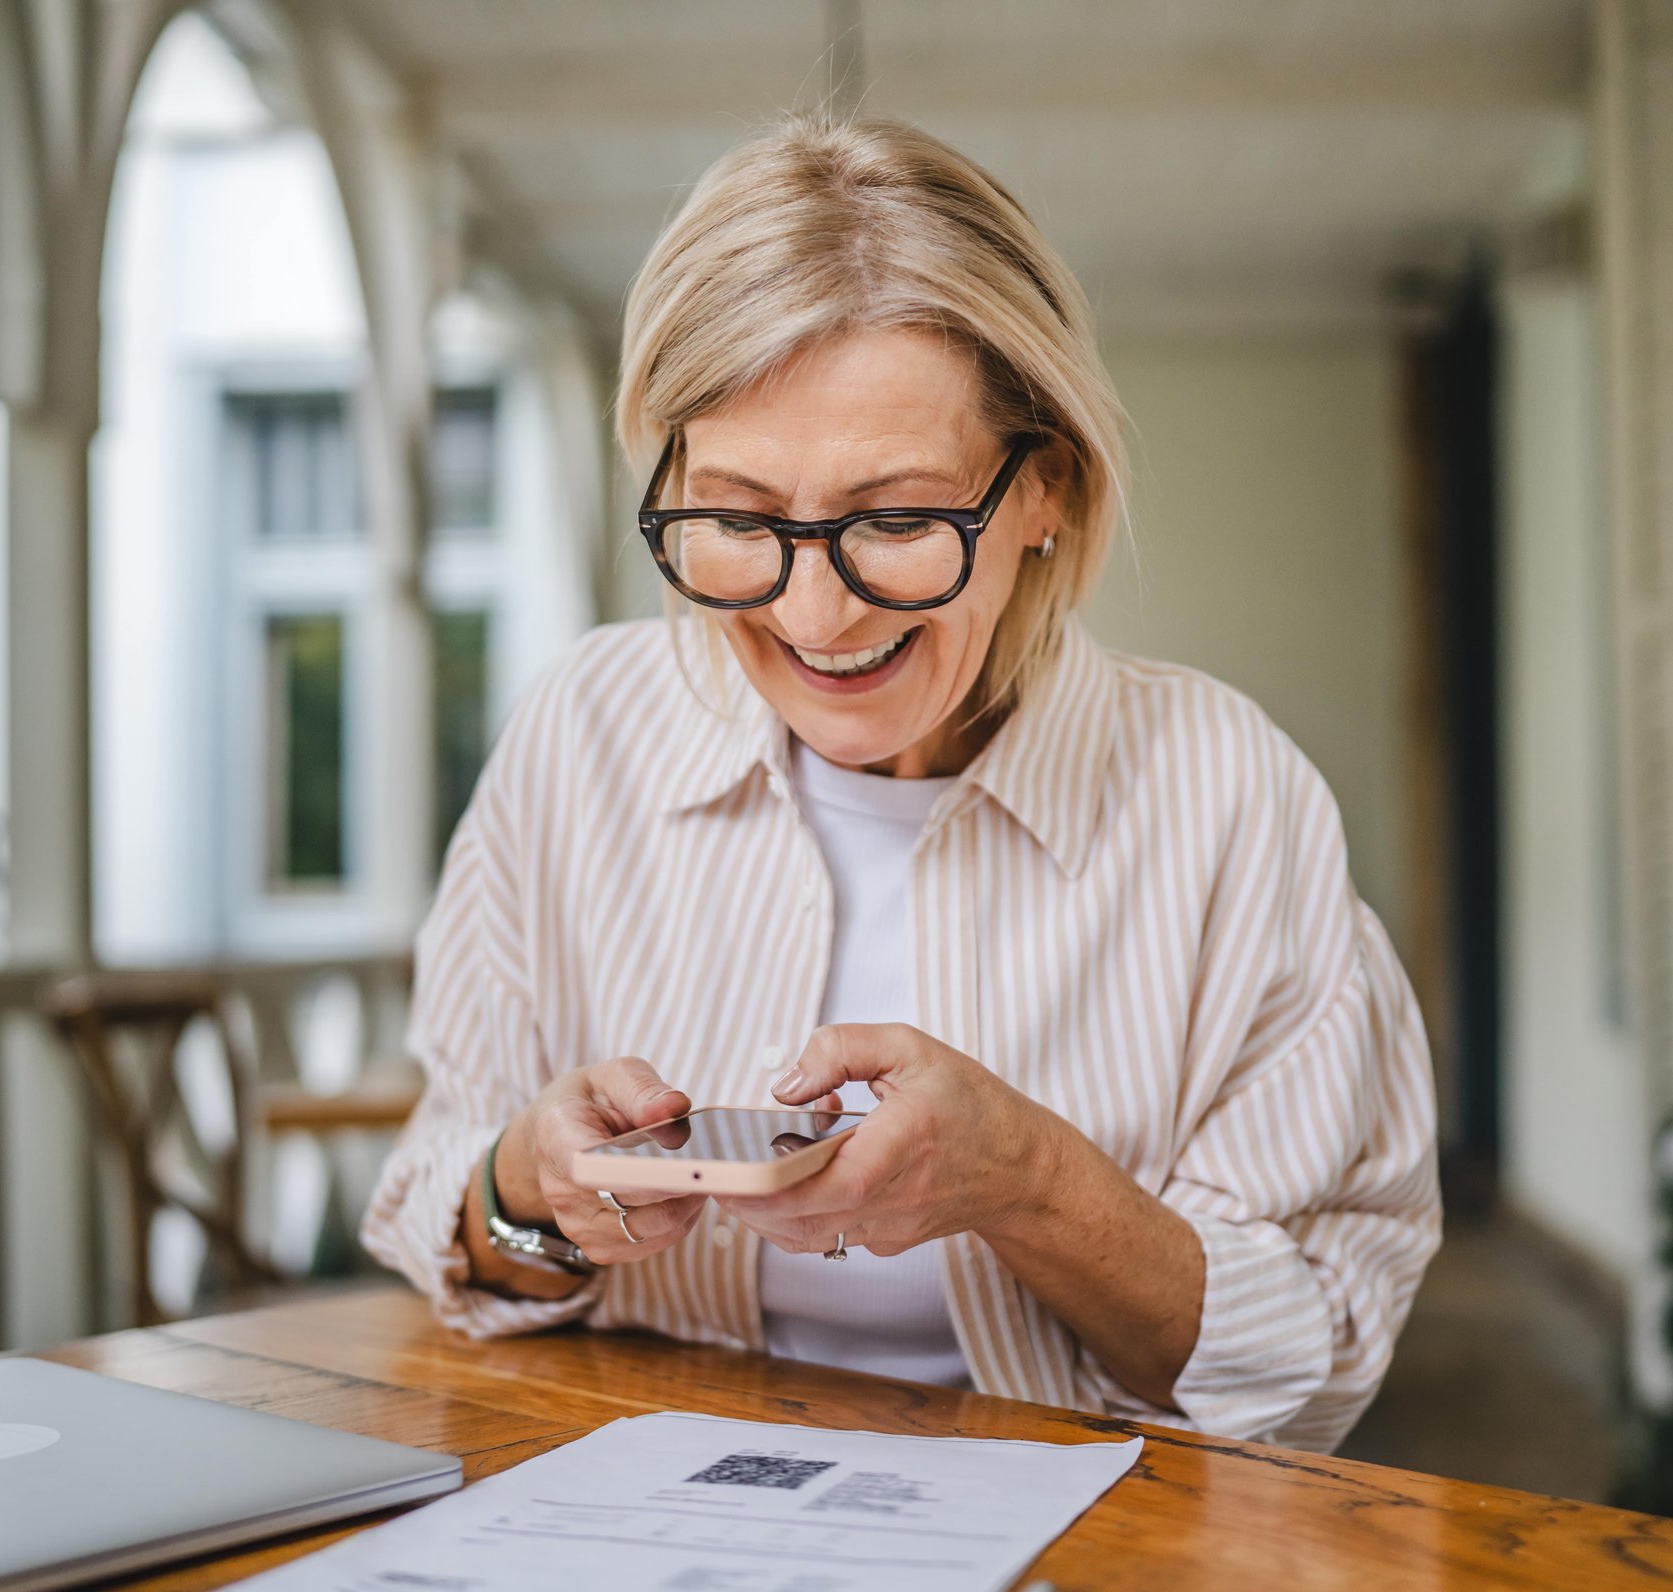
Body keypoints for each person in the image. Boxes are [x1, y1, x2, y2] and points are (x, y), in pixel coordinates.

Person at [363, 113, 1439, 1448]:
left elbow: (1317, 1360)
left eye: (895, 520)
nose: (814, 613)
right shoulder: (580, 738)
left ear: (1044, 488)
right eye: (742, 519)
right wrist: (531, 1185)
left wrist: (1031, 1183)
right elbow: (446, 1218)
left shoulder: (1230, 800)